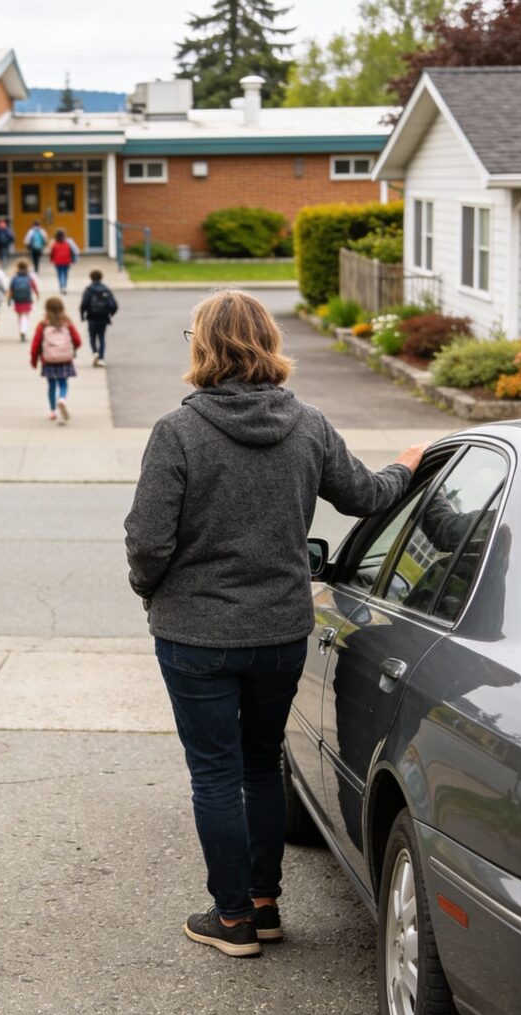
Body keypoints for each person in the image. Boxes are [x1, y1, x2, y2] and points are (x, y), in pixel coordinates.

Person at [123, 290, 426, 958]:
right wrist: (406, 465)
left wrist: (152, 592)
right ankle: (263, 906)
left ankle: (232, 919)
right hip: (281, 633)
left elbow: (147, 542)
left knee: (214, 773)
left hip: (195, 634)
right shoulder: (307, 425)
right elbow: (366, 496)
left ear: (204, 346)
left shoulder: (178, 433)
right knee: (261, 763)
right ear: (268, 343)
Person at [30, 296, 81, 423]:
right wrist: (73, 348)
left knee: (51, 385)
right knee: (63, 383)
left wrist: (34, 359)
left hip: (49, 359)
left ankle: (53, 411)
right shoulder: (67, 323)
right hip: (65, 359)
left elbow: (36, 344)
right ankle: (62, 398)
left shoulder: (43, 325)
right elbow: (78, 340)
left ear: (46, 309)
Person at [79, 269, 119, 368]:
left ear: (91, 277)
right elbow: (114, 305)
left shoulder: (89, 290)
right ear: (101, 277)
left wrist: (82, 316)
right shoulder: (106, 289)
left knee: (92, 336)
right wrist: (110, 314)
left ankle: (95, 352)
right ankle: (101, 357)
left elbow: (84, 304)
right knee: (101, 337)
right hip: (103, 317)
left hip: (92, 316)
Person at [8, 259, 40, 343]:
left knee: (19, 315)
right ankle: (24, 330)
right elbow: (34, 286)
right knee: (26, 315)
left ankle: (21, 330)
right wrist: (37, 294)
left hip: (17, 299)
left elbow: (11, 289)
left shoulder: (14, 277)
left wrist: (9, 299)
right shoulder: (29, 277)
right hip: (27, 298)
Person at [49, 229, 77, 294]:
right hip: (66, 261)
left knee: (59, 274)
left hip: (57, 261)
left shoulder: (54, 244)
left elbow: (52, 253)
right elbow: (71, 252)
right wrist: (73, 260)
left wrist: (51, 260)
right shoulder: (68, 243)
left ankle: (61, 286)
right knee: (65, 274)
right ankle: (64, 286)